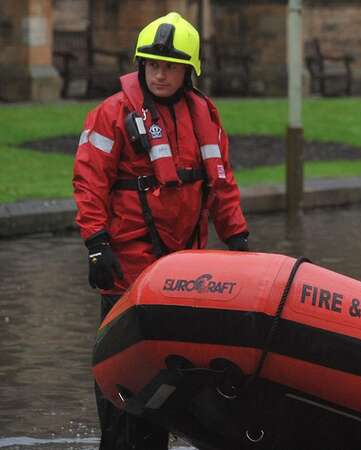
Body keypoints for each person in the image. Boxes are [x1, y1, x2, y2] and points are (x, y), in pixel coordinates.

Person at [72, 12, 249, 449]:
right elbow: (89, 182)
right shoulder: (112, 115)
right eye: (151, 64)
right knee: (121, 382)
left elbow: (221, 183)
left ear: (188, 71)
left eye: (169, 66)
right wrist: (96, 245)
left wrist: (240, 241)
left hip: (183, 276)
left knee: (173, 377)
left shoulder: (204, 115)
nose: (159, 72)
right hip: (126, 271)